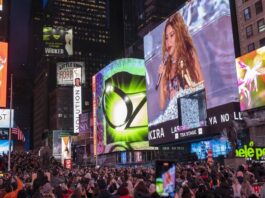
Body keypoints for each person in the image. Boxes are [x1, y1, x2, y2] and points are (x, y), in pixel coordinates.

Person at [158, 12, 204, 111]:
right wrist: (162, 77)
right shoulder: (167, 66)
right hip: (174, 118)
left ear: (178, 35)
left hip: (191, 111)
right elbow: (162, 105)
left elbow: (201, 84)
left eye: (172, 35)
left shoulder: (189, 54)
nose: (168, 41)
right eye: (166, 38)